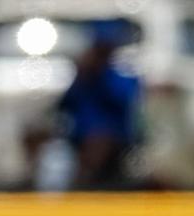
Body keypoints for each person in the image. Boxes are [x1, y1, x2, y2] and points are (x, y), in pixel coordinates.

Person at [53, 21, 139, 189]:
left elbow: (124, 104)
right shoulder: (82, 78)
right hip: (80, 139)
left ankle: (92, 180)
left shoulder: (122, 76)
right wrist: (83, 76)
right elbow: (63, 106)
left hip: (115, 138)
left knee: (99, 142)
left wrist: (99, 76)